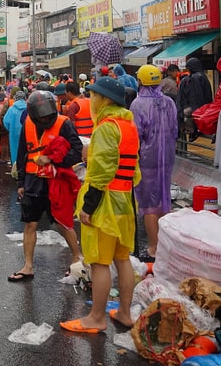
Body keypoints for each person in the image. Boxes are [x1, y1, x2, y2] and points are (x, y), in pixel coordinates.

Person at [61, 76, 140, 334]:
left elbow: (103, 170)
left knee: (99, 262)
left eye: (94, 95)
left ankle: (96, 317)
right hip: (125, 201)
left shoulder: (106, 127)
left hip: (105, 203)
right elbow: (134, 170)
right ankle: (125, 313)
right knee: (122, 258)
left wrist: (89, 205)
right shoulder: (128, 125)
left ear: (104, 99)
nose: (91, 99)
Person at [8, 90, 84, 282]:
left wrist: (52, 159)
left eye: (48, 116)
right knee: (30, 223)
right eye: (41, 117)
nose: (45, 120)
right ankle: (28, 266)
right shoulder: (28, 124)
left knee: (62, 222)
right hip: (32, 181)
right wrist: (21, 182)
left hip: (55, 181)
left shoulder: (64, 123)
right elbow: (23, 154)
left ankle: (77, 258)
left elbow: (76, 152)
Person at [130, 64, 178, 262]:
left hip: (146, 159)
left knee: (149, 203)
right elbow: (175, 130)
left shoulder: (137, 104)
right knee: (163, 199)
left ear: (140, 82)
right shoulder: (169, 102)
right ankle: (165, 247)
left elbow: (136, 135)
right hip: (167, 157)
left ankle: (154, 247)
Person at [178, 57, 212, 142]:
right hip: (205, 105)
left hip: (197, 107)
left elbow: (195, 96)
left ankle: (192, 132)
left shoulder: (195, 78)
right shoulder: (202, 76)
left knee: (185, 113)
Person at [3, 90, 27, 178]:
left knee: (15, 151)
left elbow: (6, 121)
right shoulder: (28, 108)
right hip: (26, 132)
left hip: (13, 134)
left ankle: (16, 171)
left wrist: (10, 129)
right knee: (26, 150)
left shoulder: (11, 109)